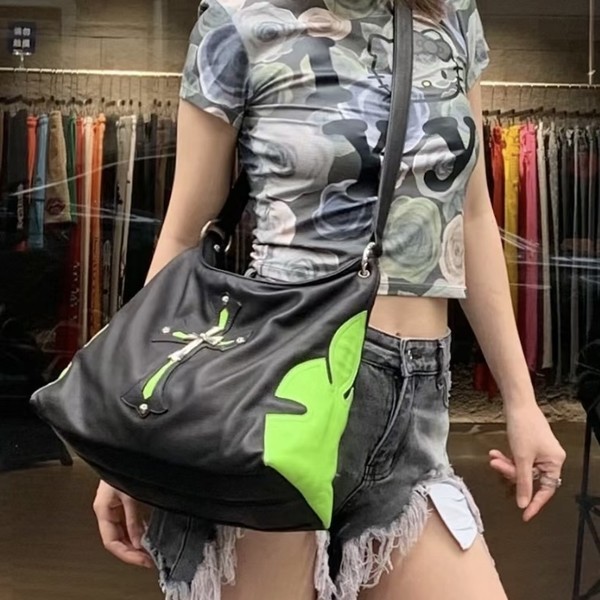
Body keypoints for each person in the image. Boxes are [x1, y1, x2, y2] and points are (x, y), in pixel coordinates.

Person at [92, 0, 566, 598]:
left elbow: (472, 217)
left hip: (413, 406)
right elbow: (186, 234)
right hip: (275, 393)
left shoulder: (449, 15)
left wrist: (521, 401)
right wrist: (133, 430)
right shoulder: (238, 19)